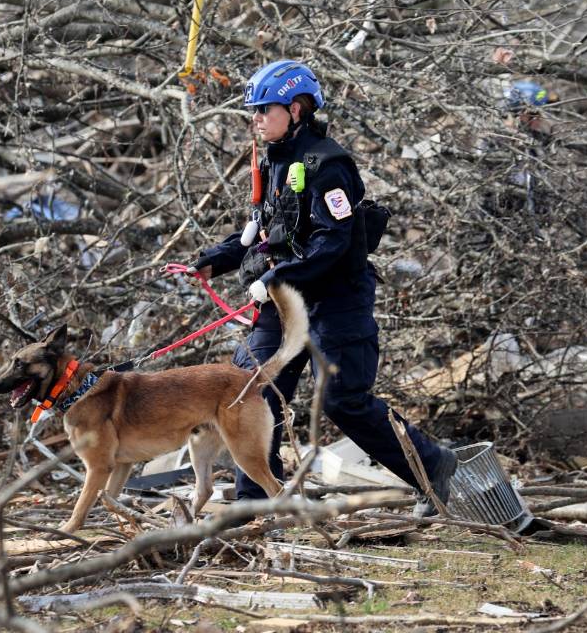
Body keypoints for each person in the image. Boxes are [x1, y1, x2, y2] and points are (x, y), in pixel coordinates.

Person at [189, 59, 457, 510]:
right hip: (282, 303)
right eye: (253, 112)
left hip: (335, 303)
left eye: (264, 110)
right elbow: (267, 232)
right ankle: (257, 503)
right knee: (249, 391)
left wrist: (276, 277)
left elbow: (333, 242)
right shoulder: (273, 161)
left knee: (341, 401)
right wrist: (211, 262)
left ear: (295, 109)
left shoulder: (328, 166)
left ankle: (431, 467)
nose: (255, 120)